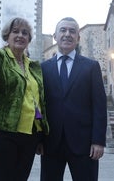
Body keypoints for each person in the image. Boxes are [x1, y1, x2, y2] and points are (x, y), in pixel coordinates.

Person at [0, 17, 49, 181]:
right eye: (16, 31)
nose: (20, 35)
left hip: (30, 137)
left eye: (25, 33)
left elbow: (37, 103)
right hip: (1, 135)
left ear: (29, 39)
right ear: (7, 35)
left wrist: (40, 135)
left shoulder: (33, 66)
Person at [40, 17, 107, 181]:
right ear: (55, 36)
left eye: (72, 31)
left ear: (78, 37)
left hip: (84, 145)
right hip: (51, 144)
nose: (67, 34)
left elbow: (99, 106)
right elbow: (38, 107)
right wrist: (39, 138)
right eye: (63, 30)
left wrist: (98, 141)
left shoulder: (91, 67)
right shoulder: (42, 68)